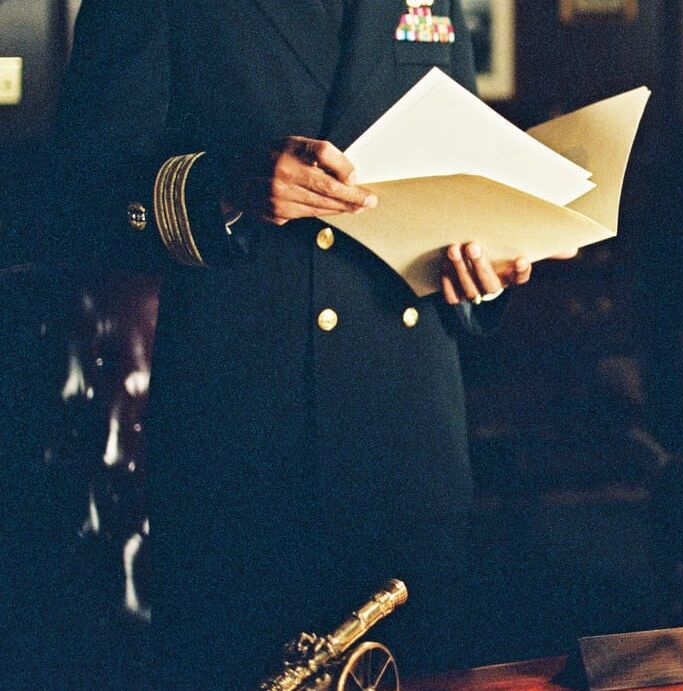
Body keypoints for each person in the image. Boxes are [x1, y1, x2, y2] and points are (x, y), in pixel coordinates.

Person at [48, 0, 564, 685]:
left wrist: (481, 271)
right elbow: (76, 198)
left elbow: (458, 173)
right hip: (245, 449)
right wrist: (226, 187)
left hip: (406, 445)